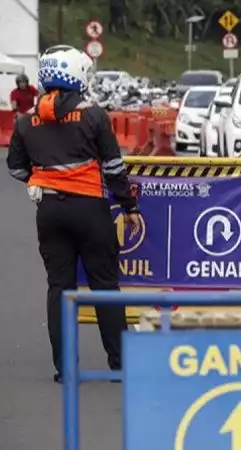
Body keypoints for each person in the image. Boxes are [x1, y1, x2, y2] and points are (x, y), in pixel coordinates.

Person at [5, 45, 142, 383]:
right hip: (90, 210)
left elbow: (16, 169)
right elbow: (113, 167)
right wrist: (129, 207)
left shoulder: (26, 122)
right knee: (105, 286)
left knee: (60, 289)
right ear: (77, 76)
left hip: (49, 211)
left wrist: (45, 180)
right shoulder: (94, 115)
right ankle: (119, 365)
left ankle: (65, 368)